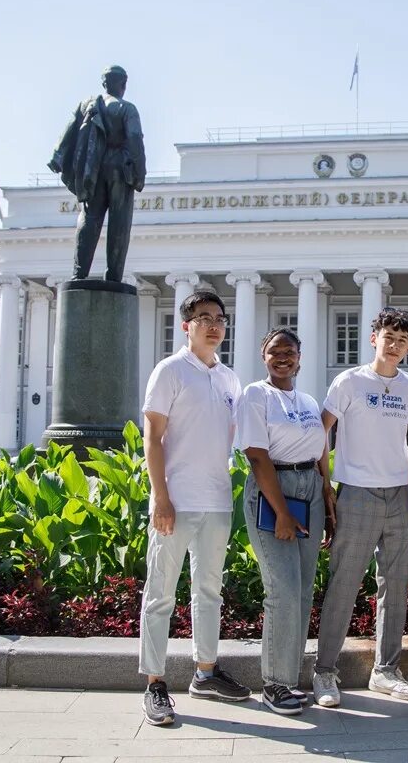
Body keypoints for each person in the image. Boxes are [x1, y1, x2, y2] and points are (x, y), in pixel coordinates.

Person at [138, 291, 250, 726]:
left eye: (219, 318)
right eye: (203, 318)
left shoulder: (229, 379)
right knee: (160, 594)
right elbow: (153, 438)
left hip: (217, 501)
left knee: (209, 592)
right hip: (176, 502)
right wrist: (161, 497)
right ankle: (154, 683)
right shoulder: (169, 371)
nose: (213, 325)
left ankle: (206, 672)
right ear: (186, 325)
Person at [312, 307, 408, 707]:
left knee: (394, 587)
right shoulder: (349, 381)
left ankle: (386, 670)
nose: (394, 345)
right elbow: (320, 432)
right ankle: (324, 671)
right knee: (344, 583)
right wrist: (327, 485)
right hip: (356, 493)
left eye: (403, 340)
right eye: (388, 337)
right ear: (373, 337)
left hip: (398, 497)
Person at [236, 328, 336, 715]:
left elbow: (320, 447)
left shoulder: (308, 400)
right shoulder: (256, 395)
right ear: (264, 356)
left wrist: (327, 494)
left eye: (290, 351)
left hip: (309, 485)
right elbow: (258, 456)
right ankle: (275, 683)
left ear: (300, 357)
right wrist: (281, 512)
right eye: (275, 351)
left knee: (303, 590)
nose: (283, 357)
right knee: (282, 590)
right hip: (274, 487)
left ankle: (290, 678)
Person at [48, 65, 146, 282]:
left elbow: (69, 130)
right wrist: (139, 173)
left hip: (92, 168)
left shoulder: (87, 105)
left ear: (104, 83)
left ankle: (78, 273)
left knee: (89, 217)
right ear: (122, 84)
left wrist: (57, 157)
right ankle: (113, 276)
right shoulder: (126, 108)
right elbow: (135, 139)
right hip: (119, 168)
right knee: (119, 222)